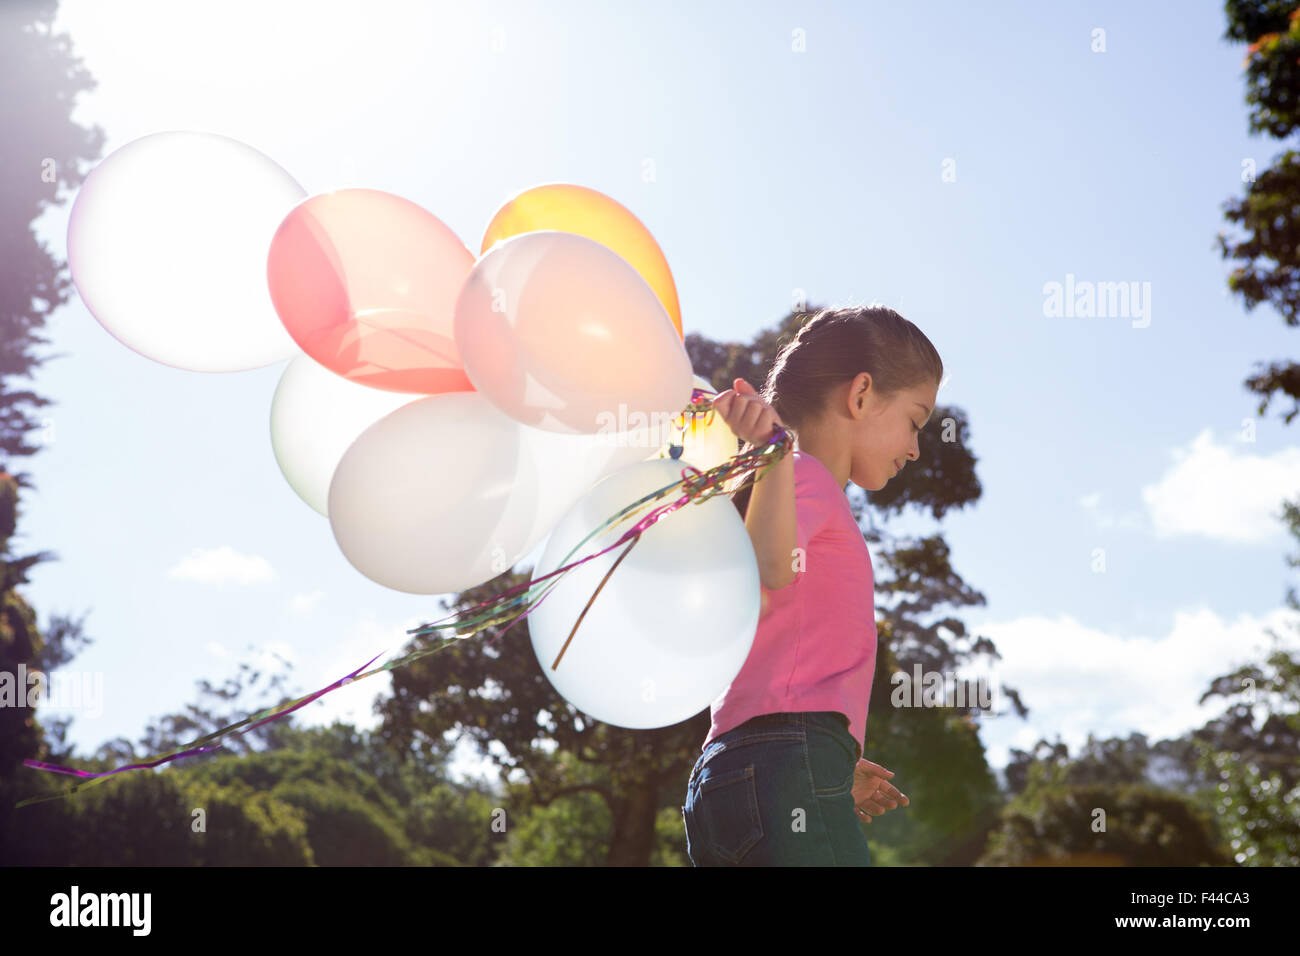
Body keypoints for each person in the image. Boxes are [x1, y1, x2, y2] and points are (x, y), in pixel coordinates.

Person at [680, 305, 942, 866]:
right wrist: (806, 763)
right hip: (785, 762)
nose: (916, 447)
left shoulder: (780, 488)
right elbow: (772, 564)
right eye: (915, 420)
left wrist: (832, 767)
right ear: (862, 395)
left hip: (730, 774)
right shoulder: (804, 476)